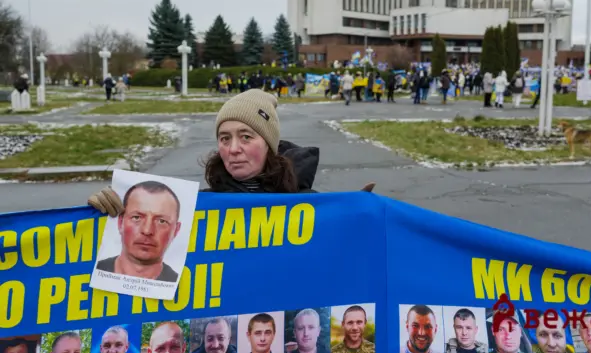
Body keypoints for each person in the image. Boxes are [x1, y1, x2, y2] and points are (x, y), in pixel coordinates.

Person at [87, 90, 375, 217]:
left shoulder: (310, 206)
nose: (233, 148)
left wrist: (355, 219)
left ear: (269, 146)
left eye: (246, 136)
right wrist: (111, 211)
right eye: (225, 138)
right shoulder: (197, 207)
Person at [94, 180, 181, 282]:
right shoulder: (90, 270)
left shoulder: (185, 284)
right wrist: (91, 213)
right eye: (136, 217)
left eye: (161, 221)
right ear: (120, 222)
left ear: (176, 230)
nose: (147, 230)